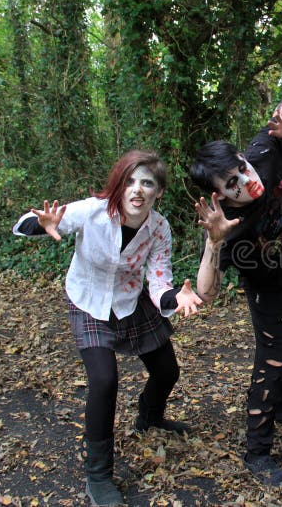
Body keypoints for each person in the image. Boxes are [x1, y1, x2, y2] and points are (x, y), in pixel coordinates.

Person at [12, 151, 204, 506]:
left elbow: (160, 283)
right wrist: (43, 224)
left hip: (130, 299)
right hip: (88, 299)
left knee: (167, 371)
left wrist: (176, 298)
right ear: (119, 184)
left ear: (158, 191)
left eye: (147, 183)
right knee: (103, 381)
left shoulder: (159, 228)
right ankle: (98, 476)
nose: (138, 190)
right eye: (130, 181)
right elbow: (26, 223)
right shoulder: (93, 210)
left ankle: (149, 418)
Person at [189, 96, 282, 488]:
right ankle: (257, 452)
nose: (246, 181)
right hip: (268, 295)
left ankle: (279, 405)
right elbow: (205, 293)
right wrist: (213, 243)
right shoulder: (229, 226)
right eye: (232, 183)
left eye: (241, 169)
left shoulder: (263, 154)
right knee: (272, 360)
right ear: (220, 196)